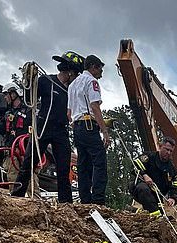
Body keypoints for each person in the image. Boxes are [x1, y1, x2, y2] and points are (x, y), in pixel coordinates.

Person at [12, 51, 84, 203]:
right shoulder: (46, 81)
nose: (77, 78)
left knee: (64, 169)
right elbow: (28, 98)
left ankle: (66, 204)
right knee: (29, 163)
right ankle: (16, 197)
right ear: (69, 71)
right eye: (76, 74)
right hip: (43, 127)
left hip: (61, 131)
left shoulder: (71, 91)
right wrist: (29, 81)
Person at [67, 54, 110, 205]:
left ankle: (85, 200)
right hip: (89, 125)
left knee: (83, 164)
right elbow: (94, 106)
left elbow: (69, 113)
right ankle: (98, 200)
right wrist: (104, 131)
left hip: (77, 127)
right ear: (93, 67)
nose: (100, 74)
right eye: (100, 70)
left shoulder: (72, 85)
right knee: (99, 162)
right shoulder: (91, 82)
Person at [0, 86, 35, 194]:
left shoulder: (29, 111)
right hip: (11, 152)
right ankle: (15, 202)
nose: (5, 97)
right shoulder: (8, 113)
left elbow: (36, 132)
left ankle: (37, 204)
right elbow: (1, 129)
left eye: (6, 94)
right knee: (12, 179)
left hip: (26, 152)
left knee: (31, 179)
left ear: (13, 94)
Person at [132, 137, 177, 216]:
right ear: (160, 147)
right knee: (143, 188)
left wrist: (173, 198)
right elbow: (135, 164)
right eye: (166, 149)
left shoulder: (171, 168)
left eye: (171, 151)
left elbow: (176, 185)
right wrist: (145, 175)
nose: (168, 153)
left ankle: (155, 216)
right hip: (140, 189)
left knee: (161, 213)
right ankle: (156, 217)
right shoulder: (149, 157)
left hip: (157, 196)